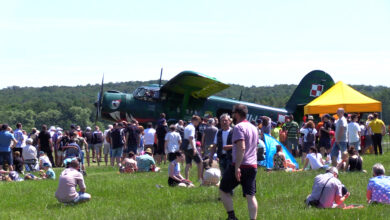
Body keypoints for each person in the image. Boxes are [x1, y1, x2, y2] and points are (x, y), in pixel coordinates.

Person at [219, 104, 258, 220]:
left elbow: (242, 147)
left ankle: (232, 217)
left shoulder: (238, 127)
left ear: (236, 114)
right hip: (252, 165)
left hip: (241, 164)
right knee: (250, 196)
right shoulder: (254, 128)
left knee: (223, 190)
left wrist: (237, 167)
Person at [184, 115, 203, 182]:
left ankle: (187, 179)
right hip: (191, 147)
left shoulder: (186, 127)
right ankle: (199, 179)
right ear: (195, 121)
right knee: (200, 162)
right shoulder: (192, 128)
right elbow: (191, 138)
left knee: (188, 164)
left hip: (186, 148)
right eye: (198, 122)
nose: (198, 124)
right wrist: (194, 148)